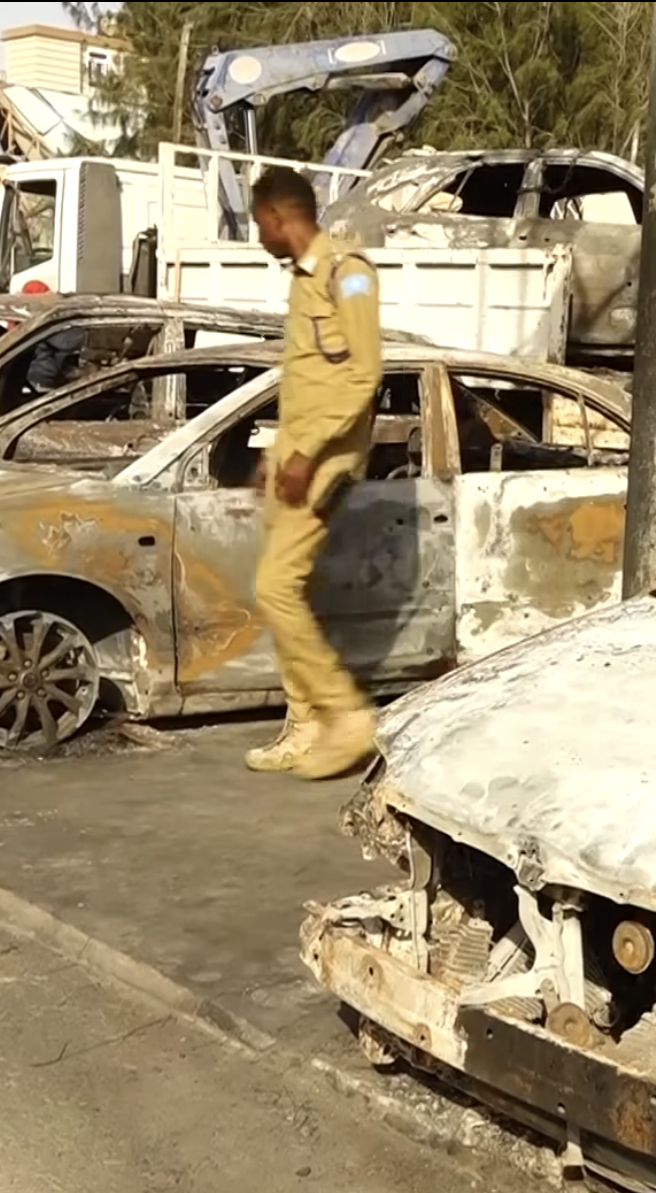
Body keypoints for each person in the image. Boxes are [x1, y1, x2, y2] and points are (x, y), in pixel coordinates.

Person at [244, 165, 384, 781]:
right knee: (283, 593)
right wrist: (277, 451)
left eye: (258, 224)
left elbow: (363, 375)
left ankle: (346, 714)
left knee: (273, 587)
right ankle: (304, 727)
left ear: (280, 217)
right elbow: (307, 379)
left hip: (326, 463)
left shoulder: (347, 275)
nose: (257, 237)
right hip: (296, 458)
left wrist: (307, 452)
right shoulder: (303, 281)